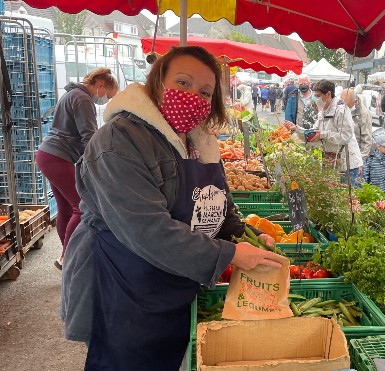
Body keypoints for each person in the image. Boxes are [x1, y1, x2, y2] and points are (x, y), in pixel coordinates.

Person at [60, 46, 283, 369]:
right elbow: (146, 229)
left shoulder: (197, 141)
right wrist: (229, 254)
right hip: (122, 285)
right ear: (157, 83)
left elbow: (218, 202)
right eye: (183, 83)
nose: (193, 95)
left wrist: (244, 234)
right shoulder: (117, 141)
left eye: (205, 91)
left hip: (172, 279)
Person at [36, 68, 118, 272]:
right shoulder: (82, 99)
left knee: (65, 208)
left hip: (48, 155)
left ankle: (66, 255)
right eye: (108, 95)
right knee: (81, 207)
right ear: (100, 84)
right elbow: (89, 136)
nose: (105, 100)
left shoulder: (71, 93)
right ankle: (67, 258)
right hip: (57, 157)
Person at [284, 79, 354, 168]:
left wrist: (323, 135)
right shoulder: (323, 111)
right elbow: (313, 132)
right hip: (329, 157)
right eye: (315, 96)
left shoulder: (341, 111)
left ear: (328, 94)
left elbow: (345, 136)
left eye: (318, 96)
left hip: (344, 161)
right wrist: (296, 129)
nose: (316, 99)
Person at [341, 85, 373, 161]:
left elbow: (366, 139)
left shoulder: (363, 114)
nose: (345, 108)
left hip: (356, 155)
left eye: (347, 106)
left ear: (355, 102)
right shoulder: (340, 108)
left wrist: (361, 159)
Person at [284, 74, 318, 141]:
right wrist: (290, 127)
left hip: (313, 130)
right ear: (297, 84)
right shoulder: (293, 96)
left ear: (309, 83)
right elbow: (288, 113)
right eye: (300, 84)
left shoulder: (316, 96)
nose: (302, 85)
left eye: (304, 83)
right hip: (297, 131)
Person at [364, 135, 385, 202]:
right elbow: (366, 174)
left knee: (384, 207)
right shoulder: (371, 158)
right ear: (378, 146)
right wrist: (365, 186)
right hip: (372, 189)